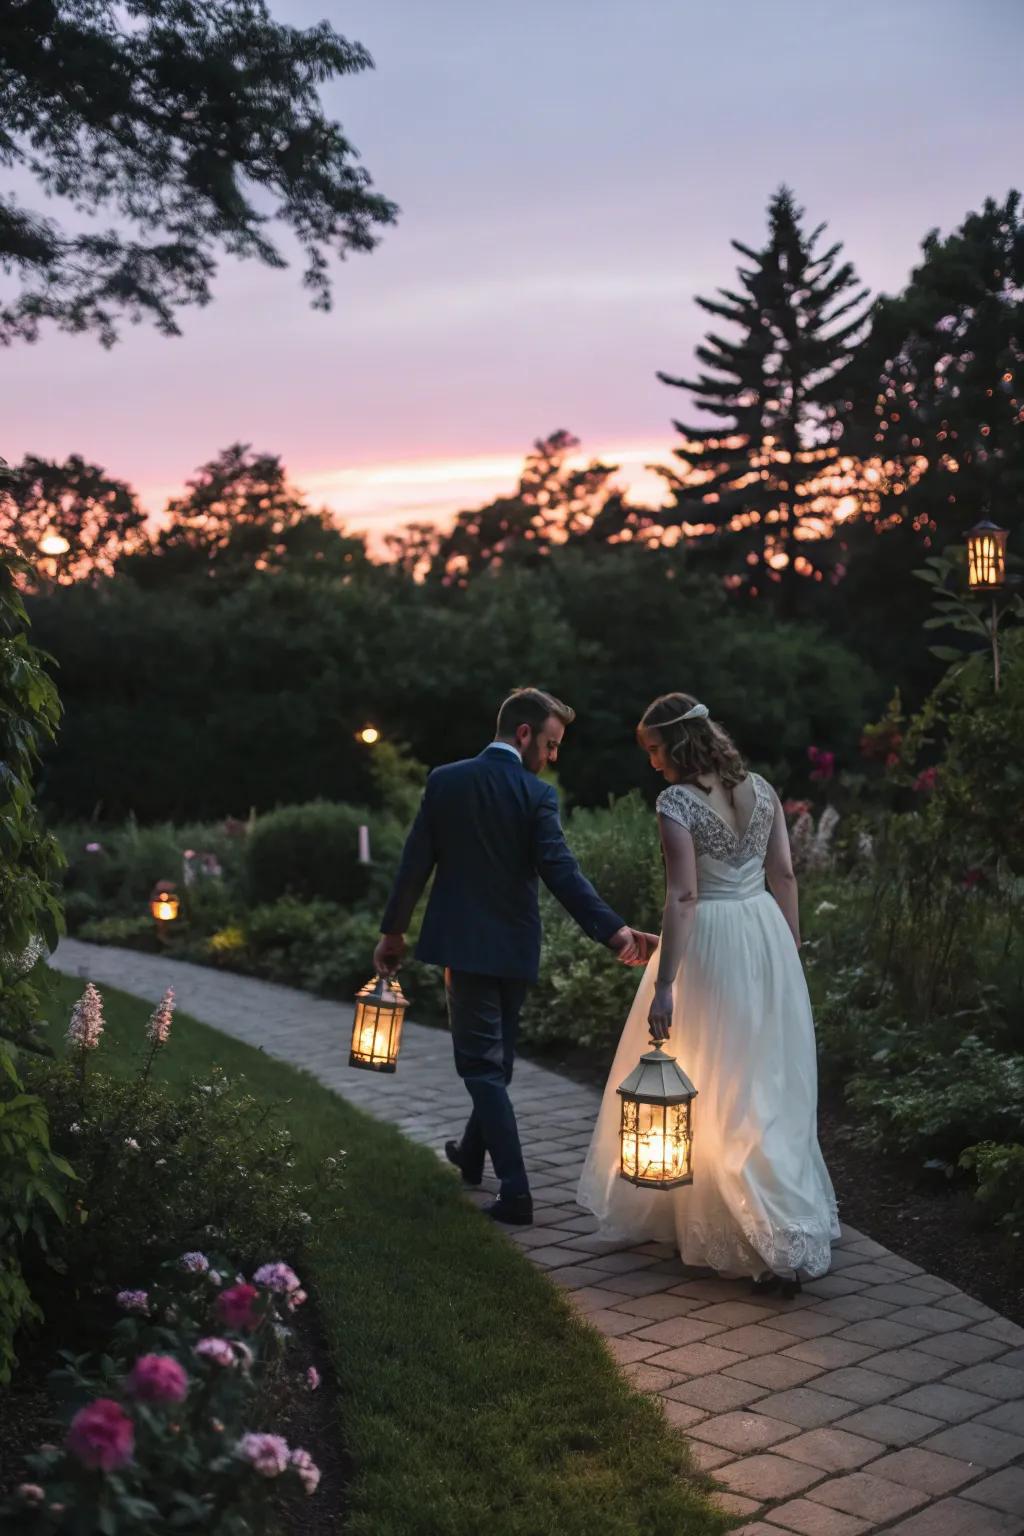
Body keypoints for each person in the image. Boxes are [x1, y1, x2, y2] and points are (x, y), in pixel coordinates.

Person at [577, 693, 838, 1295]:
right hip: (767, 935)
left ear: (677, 743)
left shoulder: (676, 803)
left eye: (654, 749)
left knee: (716, 1079)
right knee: (764, 1082)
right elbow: (785, 876)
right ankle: (782, 1225)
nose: (652, 762)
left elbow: (685, 899)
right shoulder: (764, 790)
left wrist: (665, 984)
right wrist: (790, 953)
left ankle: (759, 1236)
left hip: (713, 945)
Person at [374, 687, 649, 1228]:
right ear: (524, 734)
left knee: (483, 1066)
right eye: (550, 744)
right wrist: (614, 933)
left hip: (464, 948)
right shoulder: (535, 796)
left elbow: (414, 866)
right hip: (515, 949)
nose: (553, 757)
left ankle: (516, 1193)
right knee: (493, 1065)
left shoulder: (445, 781)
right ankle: (476, 1158)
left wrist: (393, 933)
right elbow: (561, 872)